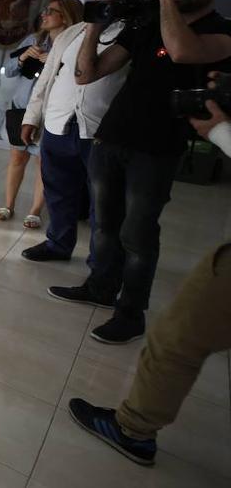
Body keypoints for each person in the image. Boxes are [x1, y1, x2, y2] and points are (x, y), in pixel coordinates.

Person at [49, 0, 231, 344]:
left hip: (157, 147)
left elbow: (182, 51)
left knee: (138, 233)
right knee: (105, 225)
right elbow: (88, 74)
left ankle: (131, 313)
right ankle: (100, 286)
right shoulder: (147, 25)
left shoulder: (221, 30)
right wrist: (94, 26)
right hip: (112, 137)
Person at [67, 75, 230, 467]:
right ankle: (101, 286)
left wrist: (221, 131)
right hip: (121, 142)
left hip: (154, 154)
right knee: (110, 227)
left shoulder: (213, 34)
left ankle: (133, 429)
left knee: (177, 336)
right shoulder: (141, 29)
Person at [19, 7, 129, 263]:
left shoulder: (131, 33)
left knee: (102, 203)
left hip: (99, 131)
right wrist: (32, 117)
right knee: (58, 192)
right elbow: (47, 76)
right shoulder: (73, 32)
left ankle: (101, 263)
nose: (103, 0)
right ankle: (58, 244)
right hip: (58, 123)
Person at [0, 0, 82, 228]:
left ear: (66, 17)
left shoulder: (74, 45)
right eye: (45, 10)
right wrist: (24, 57)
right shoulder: (35, 39)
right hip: (20, 109)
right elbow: (9, 71)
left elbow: (80, 77)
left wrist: (54, 64)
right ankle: (8, 205)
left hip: (51, 114)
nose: (44, 15)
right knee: (16, 157)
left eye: (50, 11)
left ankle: (34, 211)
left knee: (43, 162)